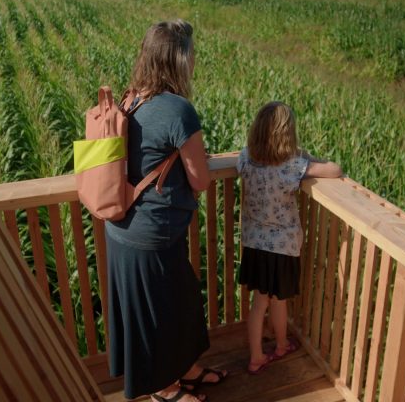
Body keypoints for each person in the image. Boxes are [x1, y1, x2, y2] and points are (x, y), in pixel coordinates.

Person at [106, 20, 227, 402]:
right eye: (190, 55)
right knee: (160, 313)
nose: (194, 62)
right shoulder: (178, 109)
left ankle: (186, 369)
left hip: (124, 226)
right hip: (151, 233)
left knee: (181, 302)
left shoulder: (131, 99)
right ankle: (165, 388)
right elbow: (201, 180)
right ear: (178, 60)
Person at [237, 101, 343, 374]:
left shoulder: (245, 156)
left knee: (259, 302)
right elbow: (335, 170)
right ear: (287, 135)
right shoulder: (292, 165)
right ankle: (282, 345)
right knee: (279, 301)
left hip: (253, 243)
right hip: (282, 246)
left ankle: (256, 356)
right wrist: (306, 156)